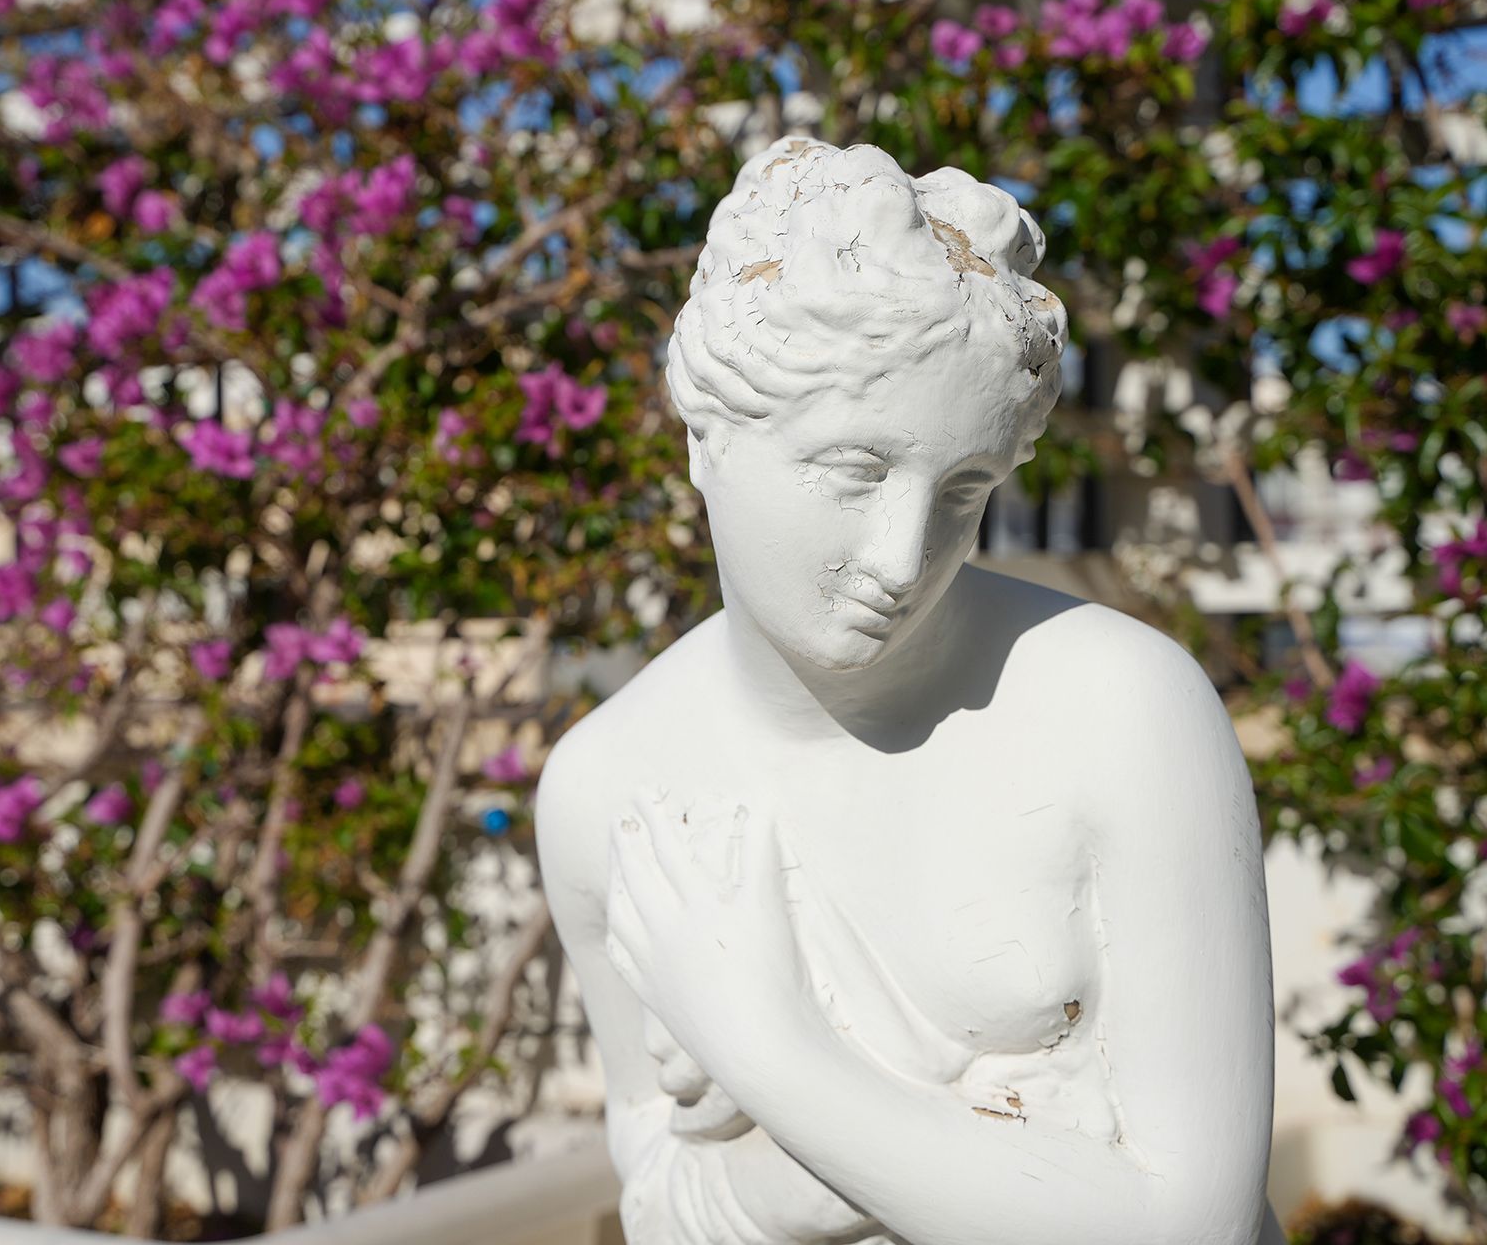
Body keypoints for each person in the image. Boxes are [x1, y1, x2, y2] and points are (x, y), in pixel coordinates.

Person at [536, 137, 1282, 1244]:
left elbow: (1191, 1228)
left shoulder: (1122, 710)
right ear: (706, 438)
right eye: (855, 470)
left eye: (964, 489)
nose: (901, 556)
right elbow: (658, 1194)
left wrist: (767, 1048)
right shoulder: (609, 790)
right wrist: (965, 1150)